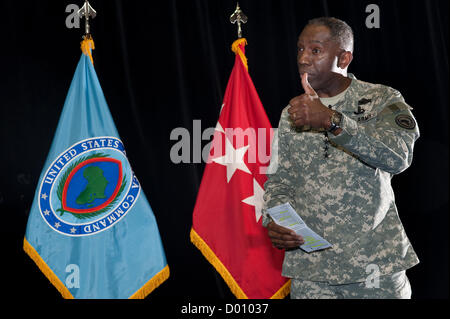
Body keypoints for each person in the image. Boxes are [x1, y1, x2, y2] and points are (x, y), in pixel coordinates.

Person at [262, 17, 420, 299]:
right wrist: (275, 221)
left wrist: (333, 121)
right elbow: (278, 181)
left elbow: (398, 157)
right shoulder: (292, 113)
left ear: (344, 57)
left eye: (315, 50)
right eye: (300, 49)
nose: (304, 58)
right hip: (312, 273)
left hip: (375, 269)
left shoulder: (380, 98)